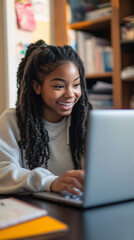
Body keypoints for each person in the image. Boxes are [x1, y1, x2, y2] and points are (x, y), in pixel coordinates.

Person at [0, 40, 92, 195]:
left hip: (76, 206)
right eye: (59, 86)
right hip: (31, 209)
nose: (70, 94)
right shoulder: (11, 121)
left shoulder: (85, 122)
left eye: (76, 85)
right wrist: (51, 182)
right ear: (37, 86)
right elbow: (3, 172)